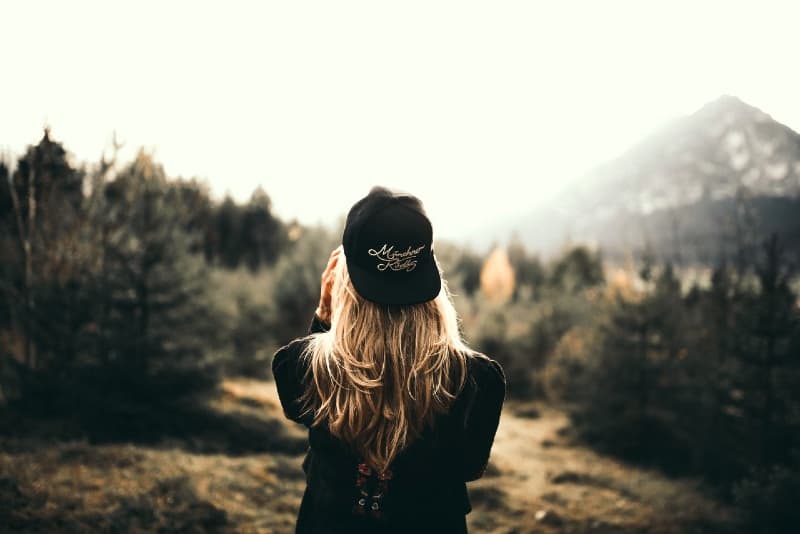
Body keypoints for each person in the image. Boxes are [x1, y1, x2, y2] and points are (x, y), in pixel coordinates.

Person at [272, 186, 506, 533]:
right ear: (431, 278)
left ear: (342, 280)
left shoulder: (304, 367)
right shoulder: (479, 381)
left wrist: (324, 314)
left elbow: (297, 407)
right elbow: (469, 467)